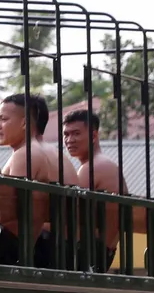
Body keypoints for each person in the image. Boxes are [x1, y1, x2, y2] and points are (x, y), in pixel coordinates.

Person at [0, 93, 77, 267]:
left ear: (25, 122)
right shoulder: (58, 155)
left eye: (3, 119)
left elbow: (6, 213)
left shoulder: (26, 154)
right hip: (64, 250)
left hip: (32, 250)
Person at [62, 108, 148, 269]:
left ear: (93, 136)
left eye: (76, 133)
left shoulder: (93, 167)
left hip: (88, 255)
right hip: (100, 253)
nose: (69, 140)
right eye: (66, 134)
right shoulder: (100, 164)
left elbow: (66, 212)